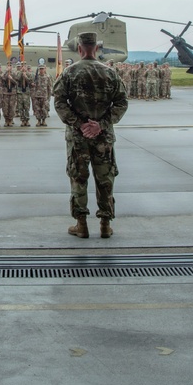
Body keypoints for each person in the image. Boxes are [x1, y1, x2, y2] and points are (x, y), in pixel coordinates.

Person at [53, 32, 128, 239]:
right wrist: (100, 125)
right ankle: (105, 224)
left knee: (79, 177)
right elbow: (122, 103)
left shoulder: (68, 73)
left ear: (79, 49)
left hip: (78, 138)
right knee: (105, 178)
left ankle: (81, 224)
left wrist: (80, 124)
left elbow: (59, 103)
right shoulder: (110, 73)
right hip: (103, 137)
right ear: (96, 48)